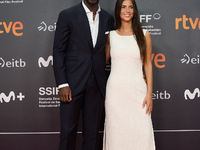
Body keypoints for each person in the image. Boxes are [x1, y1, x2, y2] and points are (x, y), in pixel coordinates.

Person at [53, 0, 114, 150]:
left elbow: (113, 51)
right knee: (68, 132)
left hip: (97, 83)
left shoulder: (108, 19)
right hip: (72, 84)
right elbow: (58, 51)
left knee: (92, 135)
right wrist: (62, 84)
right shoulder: (67, 15)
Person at [103, 0, 155, 149]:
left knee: (141, 133)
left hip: (138, 92)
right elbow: (100, 62)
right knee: (117, 135)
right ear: (118, 10)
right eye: (124, 7)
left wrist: (149, 93)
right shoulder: (111, 36)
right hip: (115, 94)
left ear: (134, 11)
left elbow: (148, 65)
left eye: (131, 7)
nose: (127, 10)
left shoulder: (144, 35)